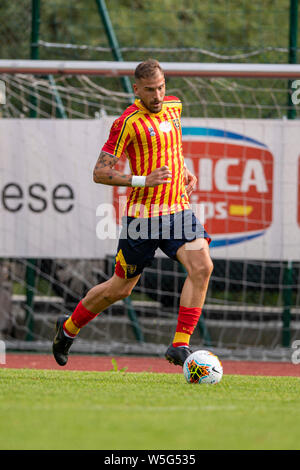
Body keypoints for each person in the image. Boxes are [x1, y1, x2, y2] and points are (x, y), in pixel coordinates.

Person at [52, 59, 213, 367]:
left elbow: (173, 146)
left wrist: (185, 169)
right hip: (143, 217)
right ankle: (68, 327)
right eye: (150, 90)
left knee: (202, 265)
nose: (158, 95)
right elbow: (100, 173)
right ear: (137, 89)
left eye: (162, 87)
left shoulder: (174, 107)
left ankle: (180, 344)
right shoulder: (127, 122)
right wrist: (143, 179)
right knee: (120, 288)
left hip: (178, 209)